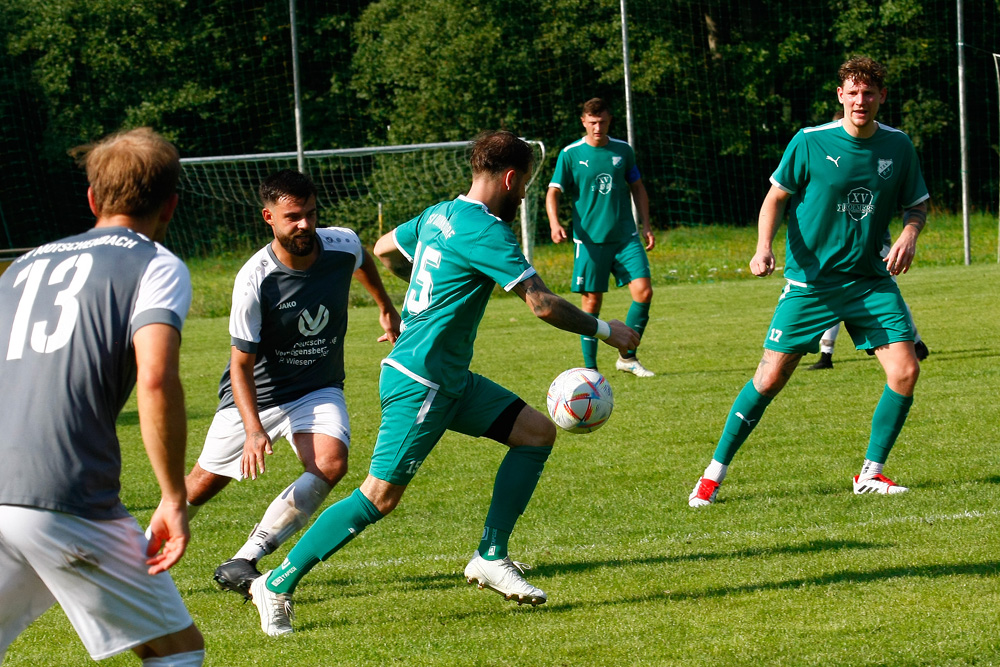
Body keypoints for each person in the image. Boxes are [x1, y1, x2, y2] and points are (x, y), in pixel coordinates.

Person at [246, 130, 639, 636]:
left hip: (449, 379)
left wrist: (425, 291)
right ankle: (275, 583)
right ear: (512, 178)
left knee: (536, 434)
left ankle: (491, 557)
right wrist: (609, 330)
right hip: (422, 381)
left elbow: (385, 249)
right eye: (526, 183)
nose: (524, 193)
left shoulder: (438, 215)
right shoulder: (488, 231)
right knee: (378, 496)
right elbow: (541, 303)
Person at [0, 128, 205, 665]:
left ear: (92, 199)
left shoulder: (22, 266)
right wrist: (173, 498)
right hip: (66, 494)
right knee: (176, 650)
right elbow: (156, 379)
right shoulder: (155, 265)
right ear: (172, 206)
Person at [688, 56, 929, 507]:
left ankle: (870, 474)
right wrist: (763, 247)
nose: (861, 100)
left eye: (870, 93)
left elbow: (916, 205)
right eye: (853, 92)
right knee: (770, 377)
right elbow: (775, 197)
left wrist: (910, 235)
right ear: (840, 96)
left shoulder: (898, 147)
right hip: (810, 284)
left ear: (881, 97)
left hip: (869, 281)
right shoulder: (810, 142)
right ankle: (711, 475)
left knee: (906, 370)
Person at [183, 169, 400, 600]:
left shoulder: (342, 243)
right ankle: (137, 554)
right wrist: (252, 429)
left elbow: (363, 261)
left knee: (330, 464)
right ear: (269, 217)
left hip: (318, 385)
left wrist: (385, 306)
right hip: (257, 393)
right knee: (201, 486)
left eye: (311, 214)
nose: (305, 225)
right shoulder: (254, 279)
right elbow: (240, 366)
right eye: (293, 216)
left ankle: (245, 558)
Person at [546, 97, 656, 377]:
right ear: (583, 121)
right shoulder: (570, 154)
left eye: (603, 122)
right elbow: (553, 192)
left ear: (609, 121)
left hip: (625, 237)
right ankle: (590, 371)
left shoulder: (623, 151)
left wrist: (646, 225)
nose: (598, 127)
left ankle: (628, 358)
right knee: (591, 305)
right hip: (589, 242)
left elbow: (638, 187)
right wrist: (555, 223)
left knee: (644, 292)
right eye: (592, 122)